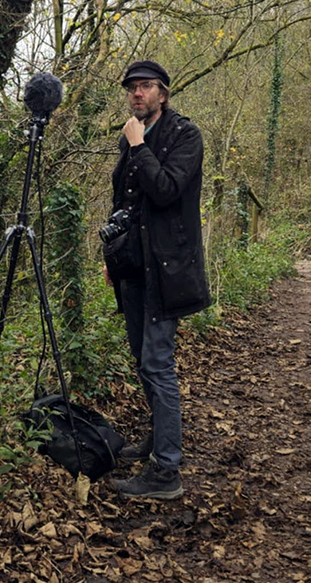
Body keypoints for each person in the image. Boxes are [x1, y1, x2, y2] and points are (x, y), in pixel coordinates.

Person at [103, 60, 211, 499]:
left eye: (146, 87)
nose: (137, 94)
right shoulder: (131, 135)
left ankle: (166, 471)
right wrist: (112, 257)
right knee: (141, 360)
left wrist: (138, 147)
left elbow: (166, 191)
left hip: (167, 271)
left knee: (157, 364)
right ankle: (157, 440)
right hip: (133, 268)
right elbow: (122, 203)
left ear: (163, 94)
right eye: (132, 88)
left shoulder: (185, 136)